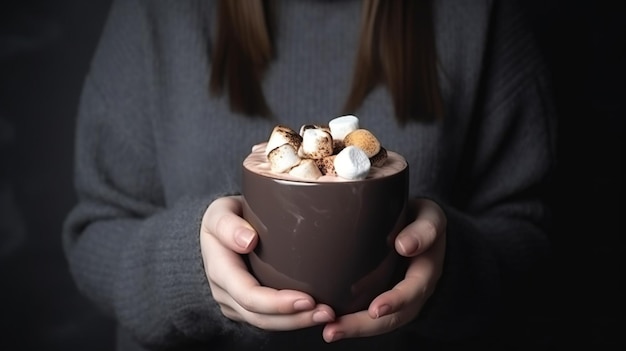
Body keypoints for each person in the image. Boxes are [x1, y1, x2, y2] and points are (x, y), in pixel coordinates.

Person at [62, 0, 556, 350]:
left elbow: (531, 237)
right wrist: (191, 272)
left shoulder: (477, 15)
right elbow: (95, 233)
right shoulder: (155, 13)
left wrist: (449, 267)